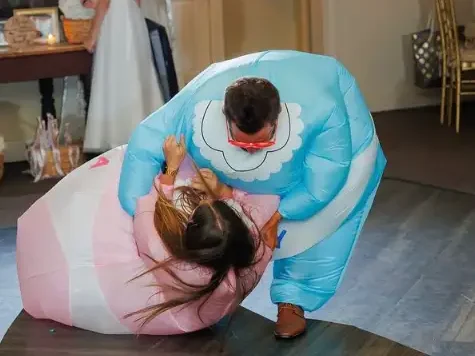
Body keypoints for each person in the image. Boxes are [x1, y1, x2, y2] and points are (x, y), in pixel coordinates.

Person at [118, 50, 386, 339]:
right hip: (233, 183)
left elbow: (327, 175)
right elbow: (148, 138)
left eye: (260, 144)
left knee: (323, 221)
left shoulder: (323, 110)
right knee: (226, 217)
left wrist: (281, 216)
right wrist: (137, 206)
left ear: (276, 122)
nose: (247, 152)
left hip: (336, 156)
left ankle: (293, 299)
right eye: (239, 143)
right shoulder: (199, 101)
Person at [17, 136, 280, 335]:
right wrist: (223, 192)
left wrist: (171, 169)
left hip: (140, 299)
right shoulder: (244, 269)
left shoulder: (165, 253)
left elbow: (147, 210)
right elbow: (261, 240)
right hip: (196, 315)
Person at [81, 0, 164, 153]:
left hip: (116, 24)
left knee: (116, 81)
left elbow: (104, 3)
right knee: (135, 77)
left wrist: (92, 34)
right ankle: (140, 135)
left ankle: (119, 138)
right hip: (132, 17)